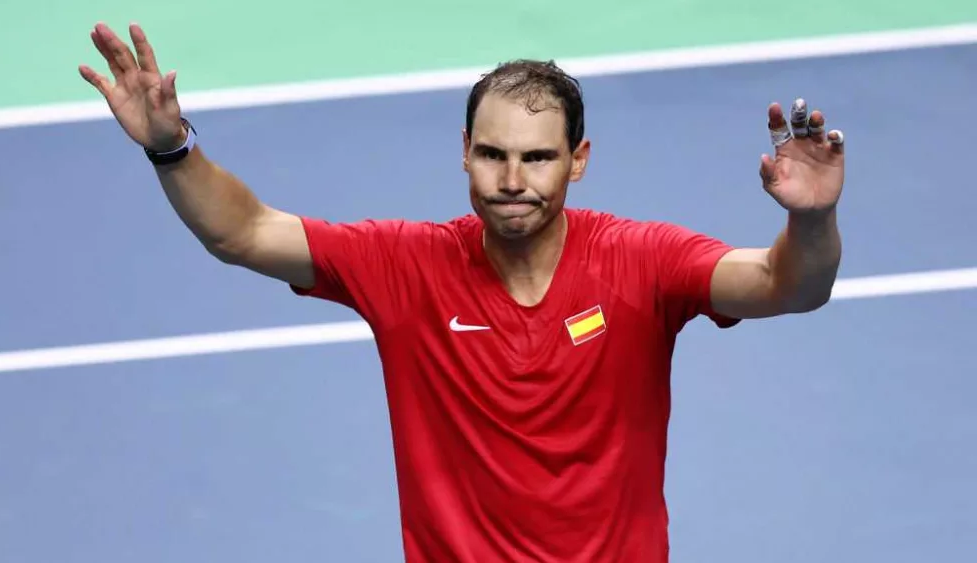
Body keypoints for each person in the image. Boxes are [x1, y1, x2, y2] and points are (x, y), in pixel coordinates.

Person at [79, 22, 844, 563]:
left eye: (538, 158)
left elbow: (788, 285)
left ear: (578, 160)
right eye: (493, 154)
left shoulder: (641, 260)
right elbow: (241, 232)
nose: (513, 180)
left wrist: (814, 220)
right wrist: (170, 148)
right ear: (464, 153)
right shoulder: (404, 264)